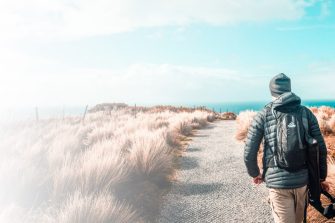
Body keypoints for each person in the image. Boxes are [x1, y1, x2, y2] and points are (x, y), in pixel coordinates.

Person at [244, 73, 329, 223]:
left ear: (272, 92)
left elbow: (249, 150)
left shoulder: (263, 114)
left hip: (277, 183)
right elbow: (321, 147)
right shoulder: (306, 113)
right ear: (289, 90)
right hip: (302, 180)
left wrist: (255, 173)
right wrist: (320, 177)